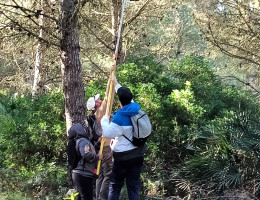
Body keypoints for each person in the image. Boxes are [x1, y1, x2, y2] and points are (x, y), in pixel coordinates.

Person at [100, 75, 147, 200]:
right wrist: (114, 80)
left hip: (122, 157)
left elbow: (108, 133)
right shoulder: (135, 108)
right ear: (131, 98)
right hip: (138, 154)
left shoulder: (120, 117)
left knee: (115, 185)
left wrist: (104, 120)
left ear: (120, 101)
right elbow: (123, 93)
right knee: (133, 186)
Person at [86, 90, 113, 200]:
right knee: (109, 175)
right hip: (105, 148)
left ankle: (98, 197)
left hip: (98, 149)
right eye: (98, 100)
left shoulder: (92, 116)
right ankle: (102, 198)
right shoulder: (99, 113)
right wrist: (111, 79)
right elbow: (108, 98)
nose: (100, 100)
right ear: (96, 104)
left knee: (100, 175)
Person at [69, 123, 103, 200]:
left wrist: (98, 144)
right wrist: (98, 157)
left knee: (81, 197)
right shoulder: (83, 141)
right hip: (83, 174)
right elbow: (86, 154)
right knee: (87, 197)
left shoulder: (77, 141)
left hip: (79, 173)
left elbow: (88, 151)